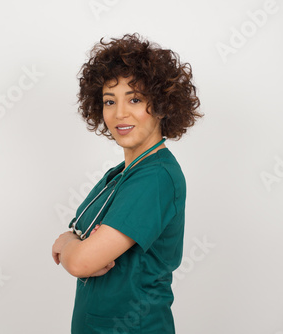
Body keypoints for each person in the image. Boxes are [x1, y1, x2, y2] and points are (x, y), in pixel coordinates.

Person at [52, 33, 203, 333]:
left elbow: (80, 261)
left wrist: (65, 244)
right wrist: (75, 244)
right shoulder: (121, 173)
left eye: (135, 99)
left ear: (161, 104)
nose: (120, 113)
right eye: (110, 101)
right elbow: (80, 241)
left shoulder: (156, 178)